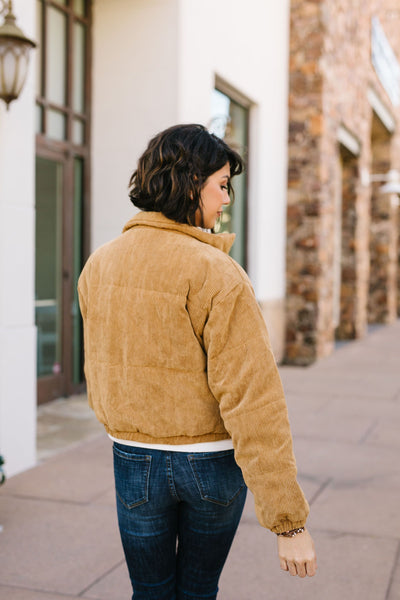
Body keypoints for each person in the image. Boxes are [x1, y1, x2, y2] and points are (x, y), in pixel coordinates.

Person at [78, 123, 317, 600]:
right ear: (191, 182)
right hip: (210, 465)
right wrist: (289, 525)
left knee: (148, 593)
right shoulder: (217, 272)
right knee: (198, 591)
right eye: (222, 185)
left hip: (132, 459)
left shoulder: (100, 263)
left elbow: (101, 366)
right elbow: (253, 399)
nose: (226, 199)